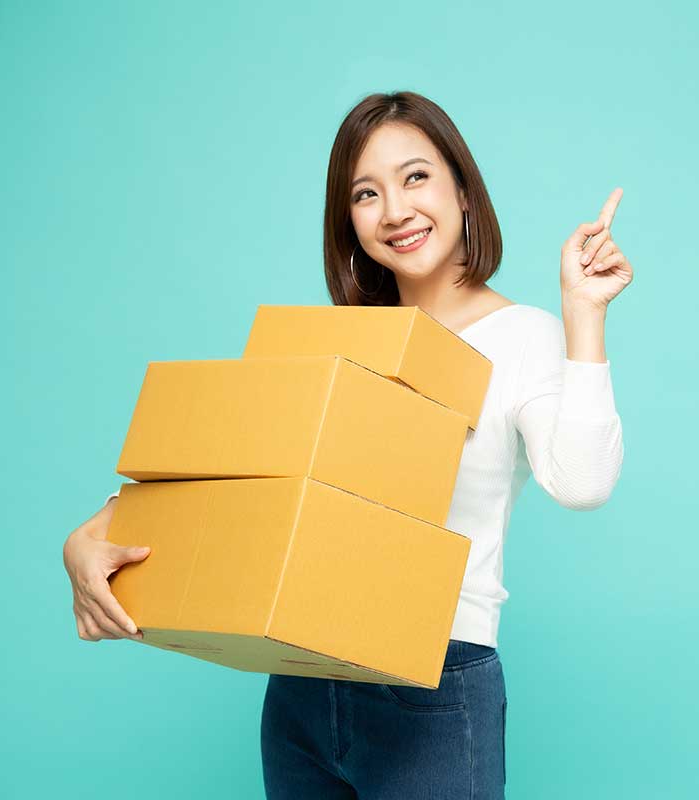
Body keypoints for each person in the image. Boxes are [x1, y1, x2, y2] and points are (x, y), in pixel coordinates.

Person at [61, 90, 632, 799]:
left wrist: (582, 314)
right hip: (301, 681)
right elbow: (242, 483)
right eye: (367, 192)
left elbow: (582, 482)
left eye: (416, 176)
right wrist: (90, 534)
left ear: (463, 189)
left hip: (431, 680)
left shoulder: (523, 337)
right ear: (348, 220)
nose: (395, 209)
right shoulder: (339, 345)